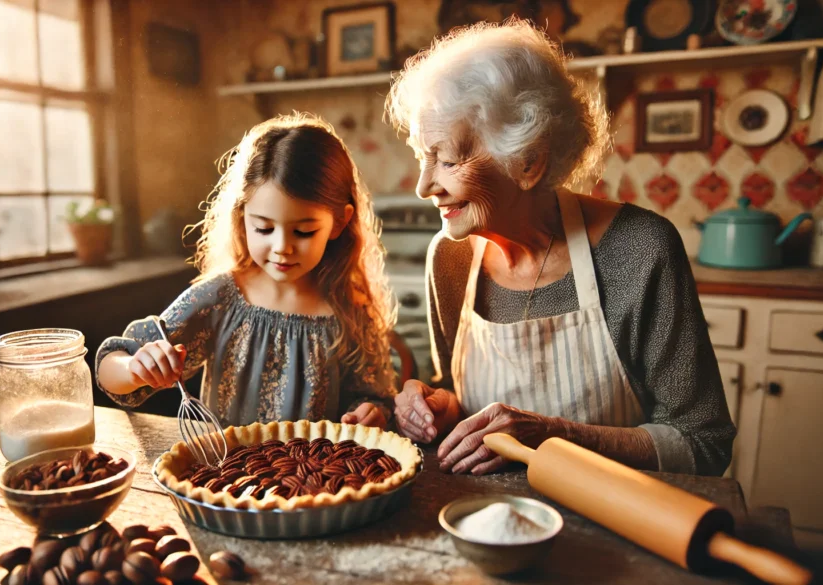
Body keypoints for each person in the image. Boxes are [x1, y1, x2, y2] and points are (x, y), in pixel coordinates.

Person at [386, 19, 735, 476]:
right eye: (421, 157)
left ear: (529, 161)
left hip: (615, 523)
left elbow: (703, 444)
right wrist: (433, 407)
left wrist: (557, 437)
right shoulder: (449, 256)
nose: (423, 186)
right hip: (481, 521)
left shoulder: (640, 250)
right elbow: (460, 401)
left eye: (447, 160)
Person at [96, 114, 396, 428]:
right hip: (228, 473)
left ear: (340, 222)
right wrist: (134, 367)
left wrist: (371, 411)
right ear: (242, 218)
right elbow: (109, 369)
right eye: (264, 228)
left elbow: (375, 396)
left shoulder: (351, 308)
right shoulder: (220, 297)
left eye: (304, 232)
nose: (282, 247)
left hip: (316, 475)